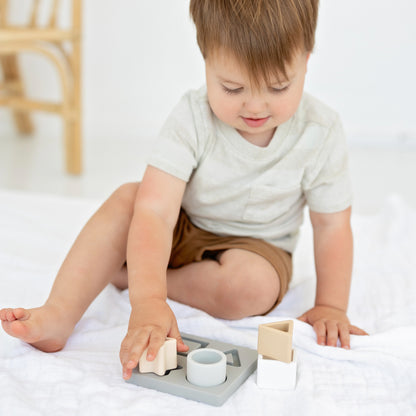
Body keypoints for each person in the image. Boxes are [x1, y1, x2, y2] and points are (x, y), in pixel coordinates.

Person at [0, 0, 367, 381]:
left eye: (278, 86)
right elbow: (156, 212)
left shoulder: (320, 132)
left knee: (252, 288)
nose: (255, 105)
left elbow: (332, 227)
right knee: (131, 198)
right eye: (233, 86)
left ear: (306, 61)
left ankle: (126, 274)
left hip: (257, 248)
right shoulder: (193, 116)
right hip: (182, 223)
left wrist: (330, 305)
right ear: (206, 60)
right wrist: (148, 303)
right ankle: (60, 312)